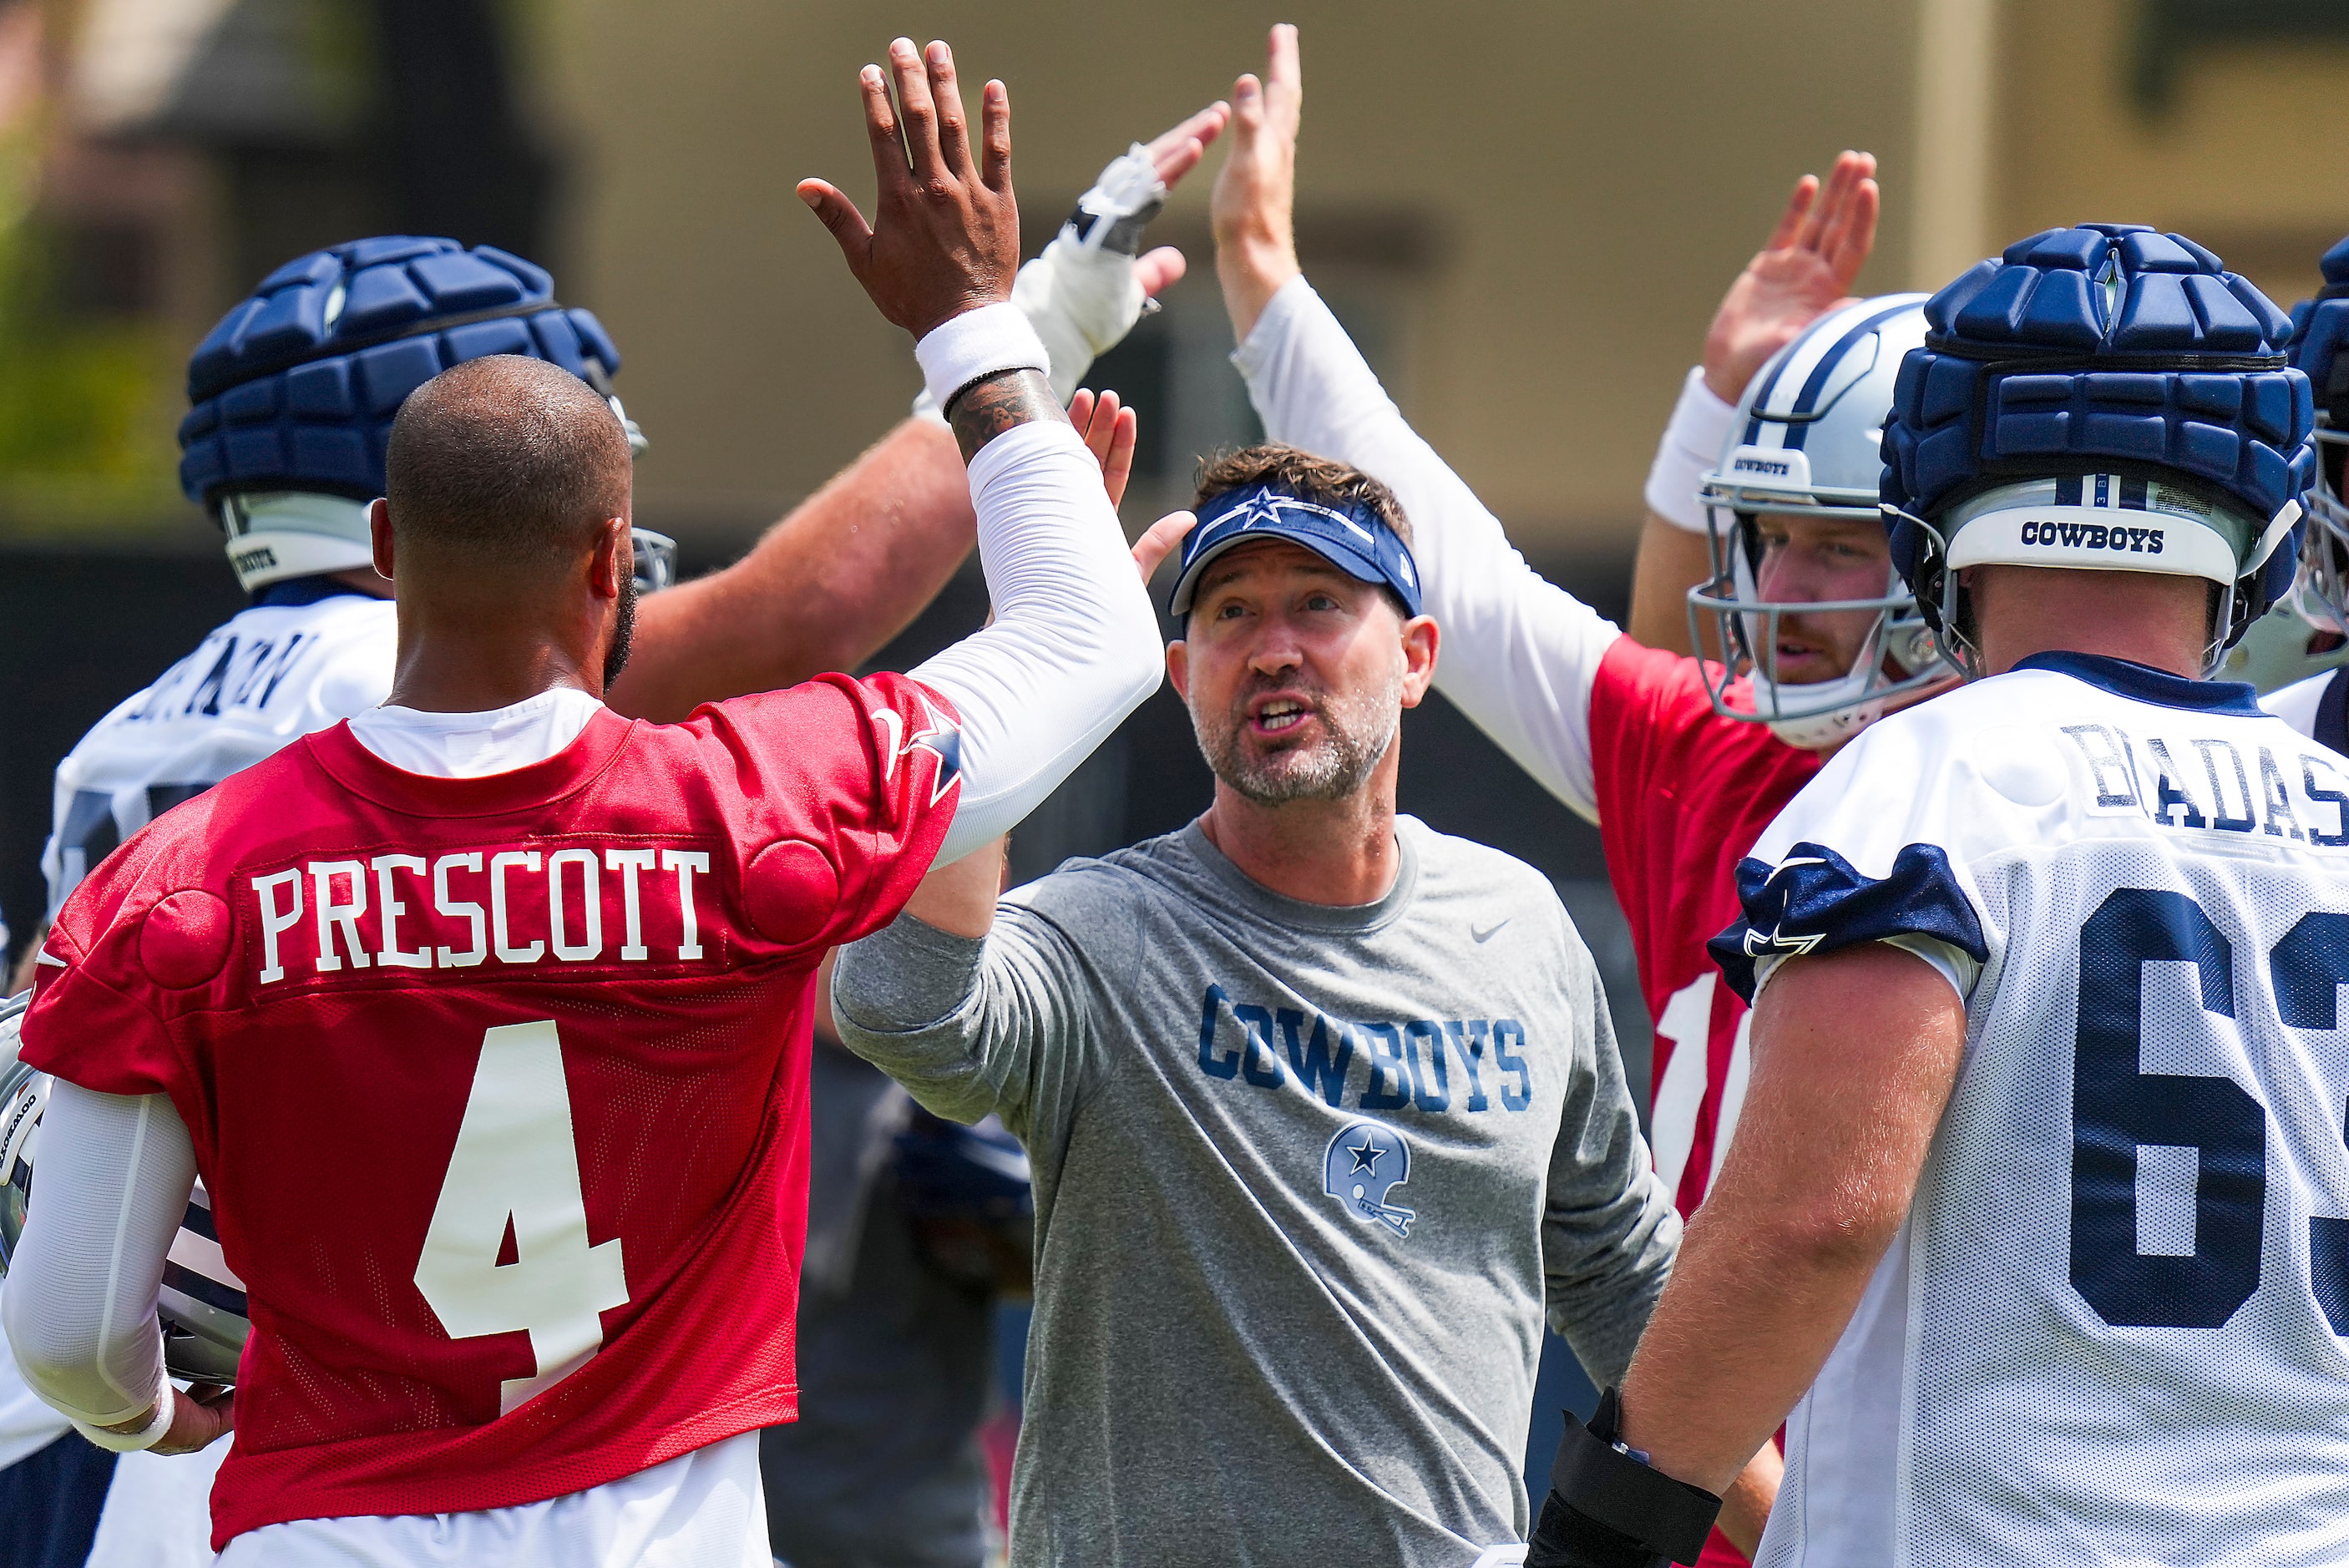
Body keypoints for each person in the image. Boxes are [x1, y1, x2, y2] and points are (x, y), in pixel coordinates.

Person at [0, 95, 1223, 1568]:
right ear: (601, 555)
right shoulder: (741, 805)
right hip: (655, 1525)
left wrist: (140, 1415)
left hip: (293, 1520)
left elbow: (67, 1319)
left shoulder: (176, 859)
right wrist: (979, 323)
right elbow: (1077, 639)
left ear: (398, 547)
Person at [1205, 28, 1944, 1559]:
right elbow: (1467, 576)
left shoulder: (2006, 807)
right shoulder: (1722, 758)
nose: (1777, 592)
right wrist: (1262, 271)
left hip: (1941, 1486)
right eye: (1764, 541)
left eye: (1833, 546)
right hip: (1719, 1492)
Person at [1526, 224, 2336, 1567]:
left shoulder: (1934, 778)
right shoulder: (2333, 799)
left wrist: (1601, 1526)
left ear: (1930, 494)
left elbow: (1815, 1214)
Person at [832, 431, 1702, 1565]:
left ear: (1417, 656)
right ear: (1183, 670)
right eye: (1229, 613)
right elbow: (900, 1007)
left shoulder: (1518, 926)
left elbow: (1621, 1274)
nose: (1271, 648)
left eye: (1318, 603)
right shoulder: (1107, 930)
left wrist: (1793, 1531)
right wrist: (1022, 661)